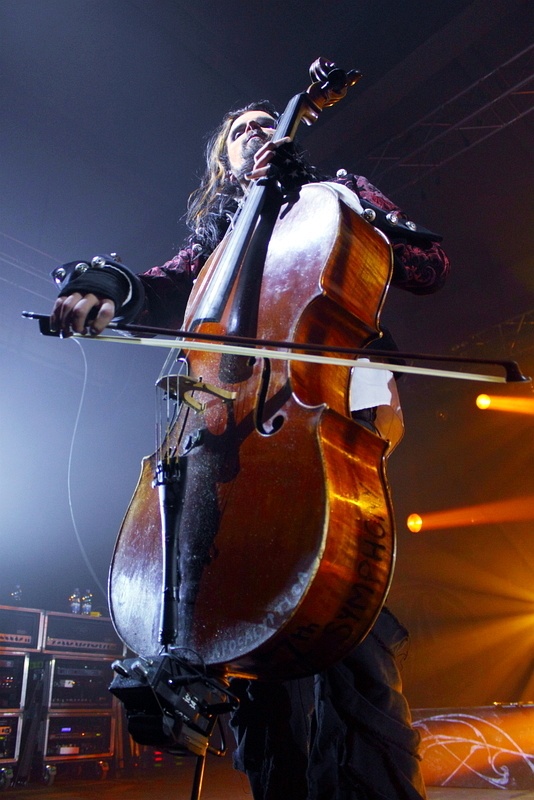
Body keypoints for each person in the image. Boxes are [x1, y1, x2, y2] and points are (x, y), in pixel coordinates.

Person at [50, 100, 449, 799]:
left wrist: (347, 203)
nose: (256, 131)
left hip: (327, 397)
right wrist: (102, 287)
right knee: (250, 635)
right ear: (223, 163)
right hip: (229, 425)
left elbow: (427, 264)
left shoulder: (335, 195)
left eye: (268, 122)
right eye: (240, 129)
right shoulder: (219, 238)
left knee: (342, 617)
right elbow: (161, 288)